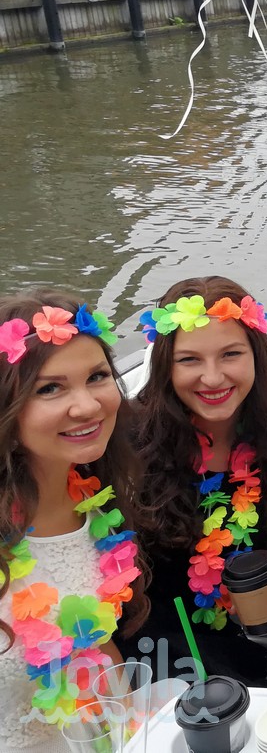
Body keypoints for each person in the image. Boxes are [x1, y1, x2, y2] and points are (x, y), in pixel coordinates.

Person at [118, 277, 267, 685]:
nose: (212, 378)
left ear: (256, 356)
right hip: (154, 642)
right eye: (189, 359)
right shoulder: (128, 449)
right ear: (165, 366)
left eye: (230, 354)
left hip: (247, 637)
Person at [0, 289, 148, 750]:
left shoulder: (97, 505)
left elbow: (96, 646)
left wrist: (135, 733)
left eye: (97, 377)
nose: (87, 406)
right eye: (50, 388)